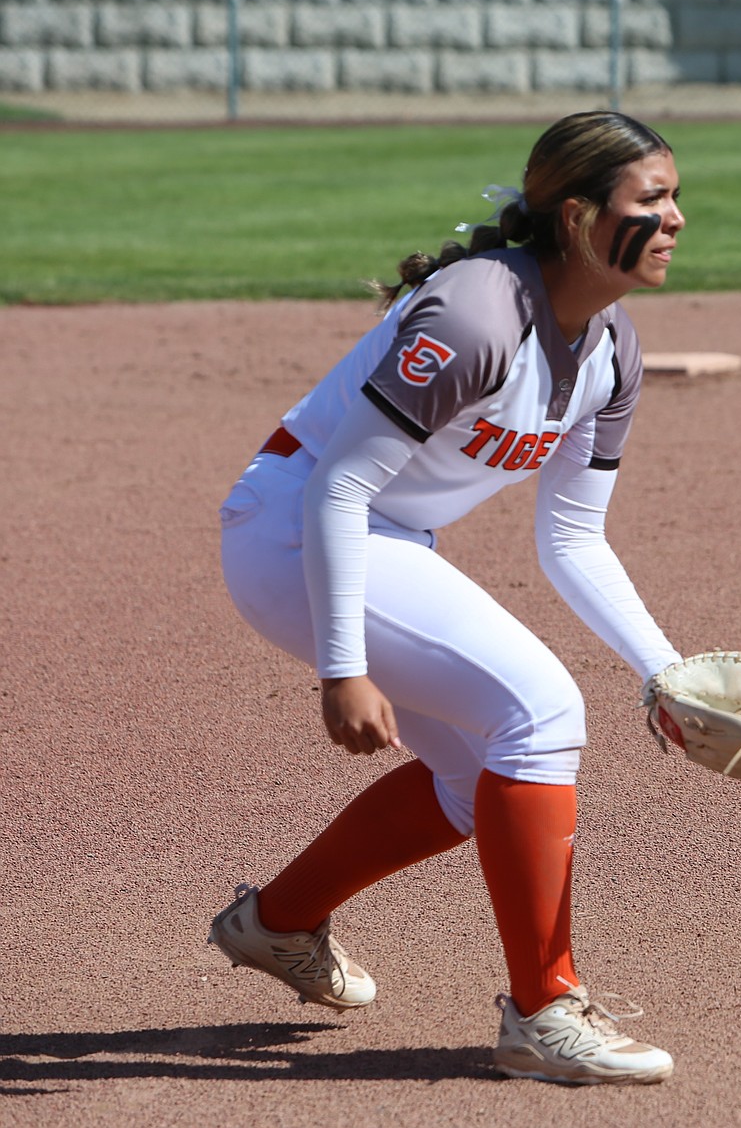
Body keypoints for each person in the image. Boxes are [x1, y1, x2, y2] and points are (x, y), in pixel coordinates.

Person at [208, 110, 685, 1087]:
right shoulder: (478, 316)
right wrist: (342, 668)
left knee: (478, 778)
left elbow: (572, 537)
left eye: (677, 197)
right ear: (577, 215)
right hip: (296, 530)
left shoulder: (609, 348)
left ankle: (278, 922)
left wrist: (664, 673)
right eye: (653, 199)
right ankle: (544, 1011)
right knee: (541, 712)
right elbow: (340, 486)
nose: (676, 218)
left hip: (379, 537)